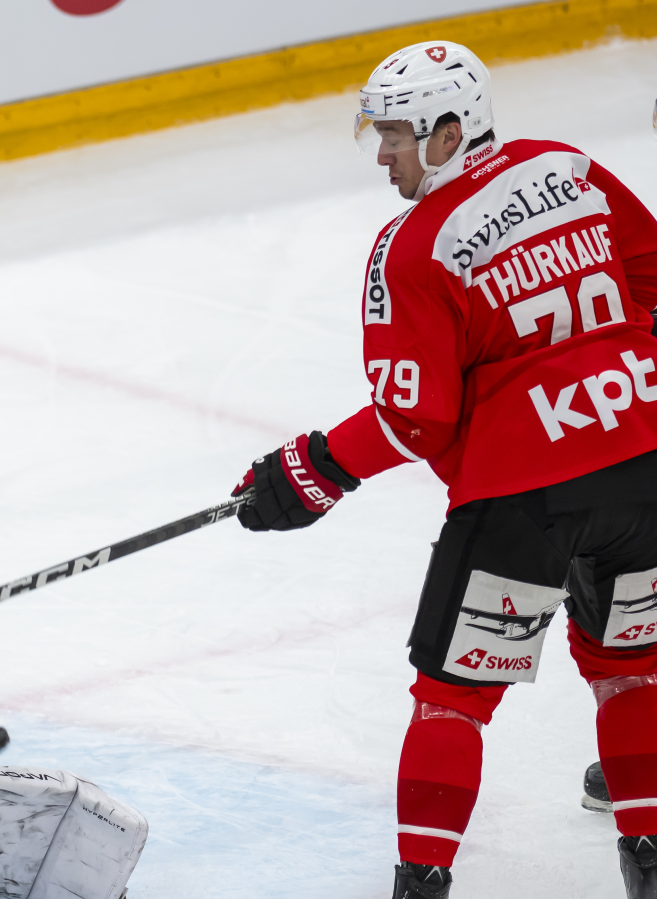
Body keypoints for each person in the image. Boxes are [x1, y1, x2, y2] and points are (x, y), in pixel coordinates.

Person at [231, 42, 657, 898]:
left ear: (450, 130)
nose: (380, 153)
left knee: (451, 700)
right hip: (646, 464)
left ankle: (422, 885)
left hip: (522, 493)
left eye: (394, 134)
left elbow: (416, 416)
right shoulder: (567, 169)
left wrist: (311, 471)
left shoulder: (413, 244)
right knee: (632, 668)